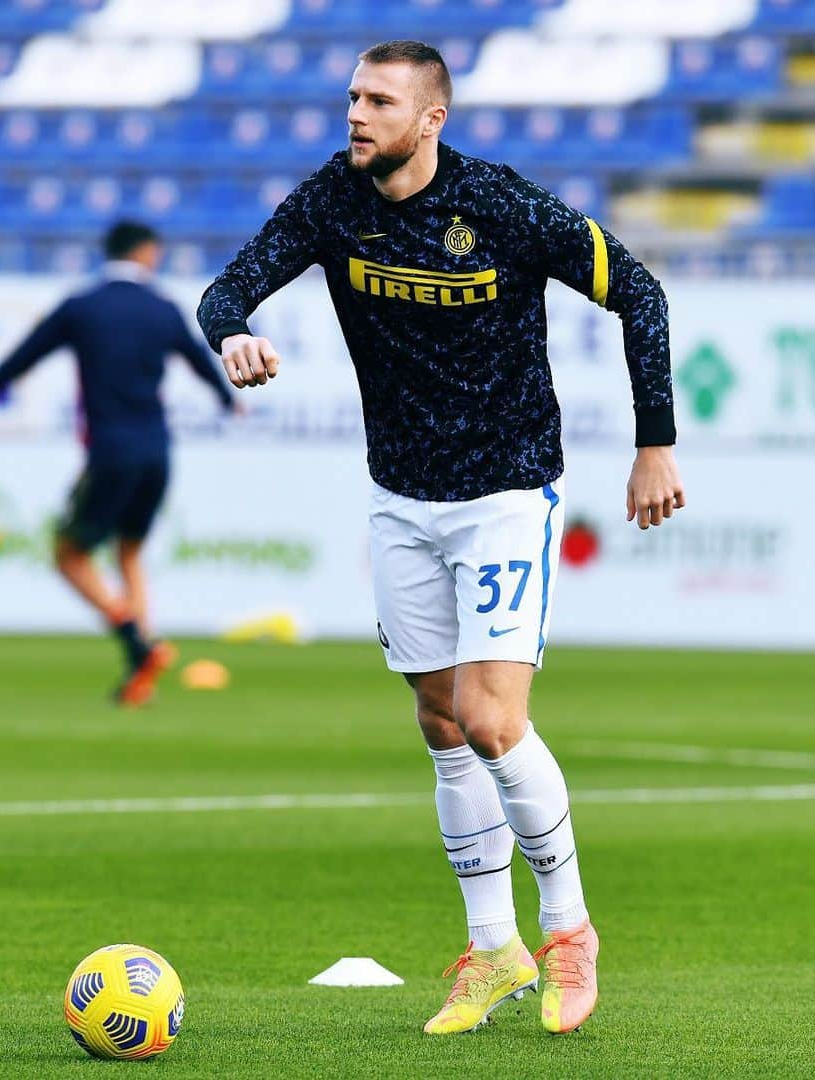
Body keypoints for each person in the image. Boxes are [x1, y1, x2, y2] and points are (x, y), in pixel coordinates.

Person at [198, 41, 685, 1035]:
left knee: (494, 718)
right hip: (400, 499)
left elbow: (639, 291)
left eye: (378, 100)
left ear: (432, 119)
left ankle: (570, 934)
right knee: (441, 724)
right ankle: (492, 951)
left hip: (505, 493)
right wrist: (232, 333)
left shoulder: (504, 207)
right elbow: (223, 290)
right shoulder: (331, 202)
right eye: (351, 98)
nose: (356, 115)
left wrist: (655, 446)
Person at [0, 221, 235, 706]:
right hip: (157, 452)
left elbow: (19, 361)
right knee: (130, 552)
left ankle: (137, 641)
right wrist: (228, 401)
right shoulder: (162, 308)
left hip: (110, 451)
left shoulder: (82, 307)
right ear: (146, 253)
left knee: (69, 555)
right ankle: (143, 672)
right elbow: (202, 363)